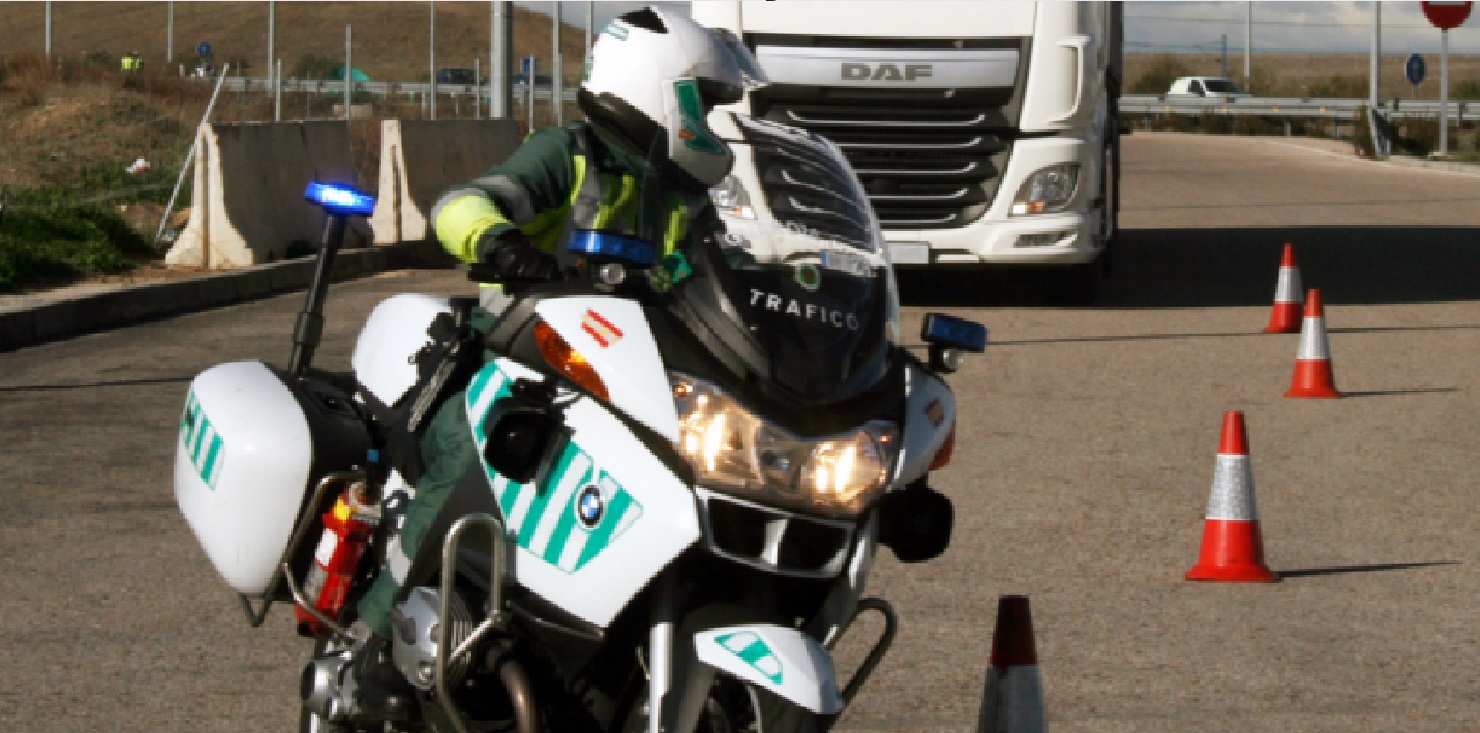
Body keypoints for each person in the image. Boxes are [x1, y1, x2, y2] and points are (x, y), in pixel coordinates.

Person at [340, 6, 768, 721]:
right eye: (707, 102)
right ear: (660, 89)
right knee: (465, 465)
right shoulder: (567, 153)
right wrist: (501, 243)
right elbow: (461, 206)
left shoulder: (689, 195)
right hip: (520, 362)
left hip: (629, 379)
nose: (714, 122)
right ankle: (377, 649)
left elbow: (732, 278)